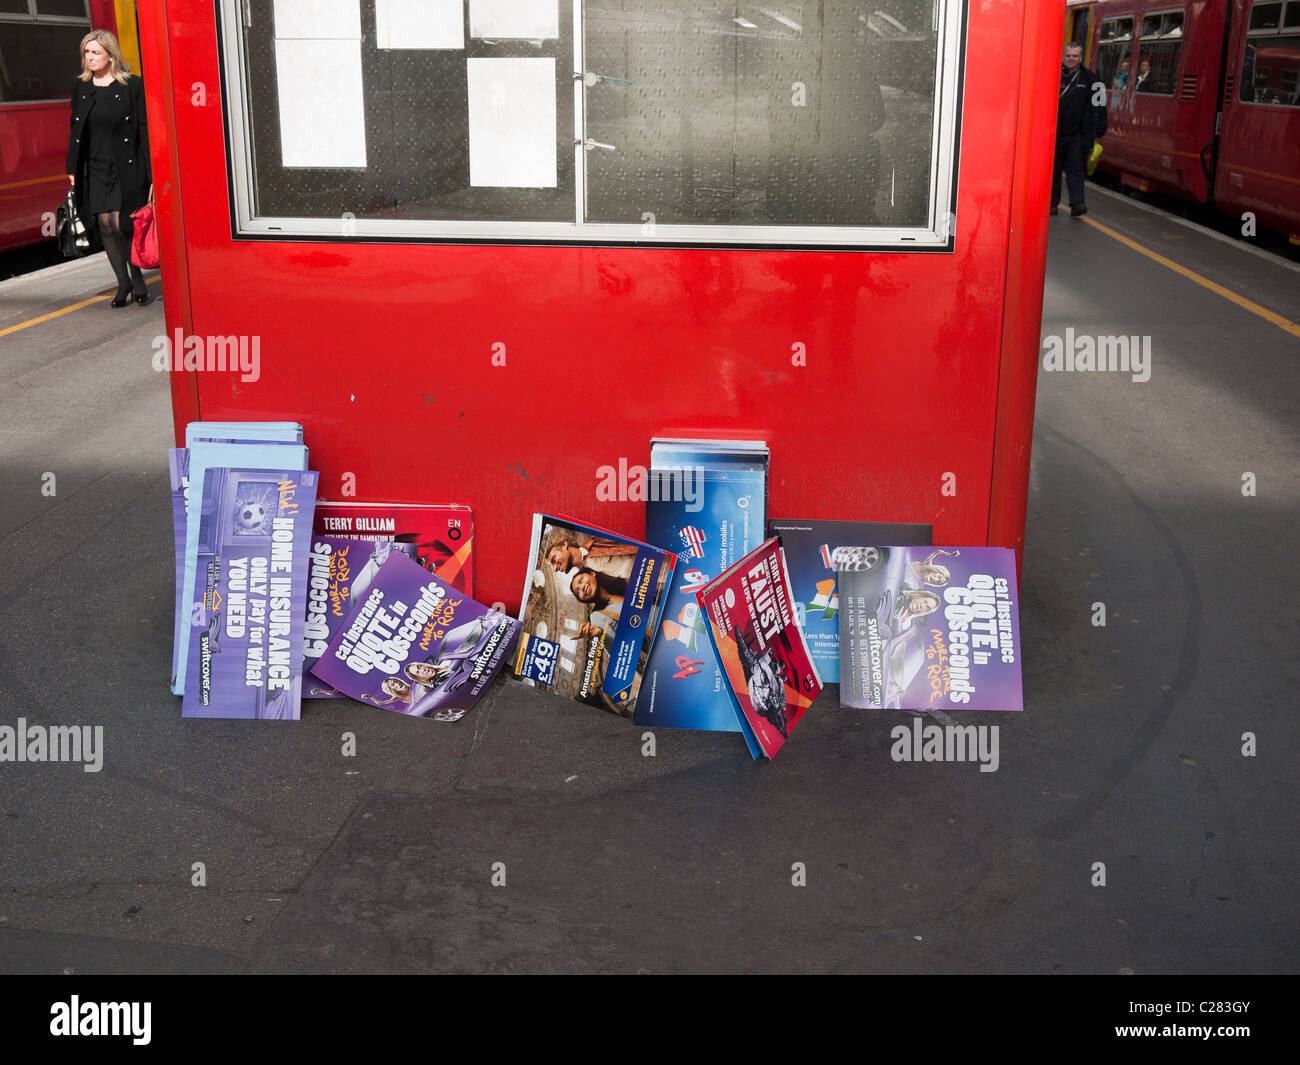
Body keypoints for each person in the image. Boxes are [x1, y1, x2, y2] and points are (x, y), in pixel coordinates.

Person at [65, 29, 152, 307]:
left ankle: (137, 277)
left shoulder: (132, 86)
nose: (90, 58)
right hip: (94, 167)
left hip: (126, 166)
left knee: (121, 223)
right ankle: (122, 282)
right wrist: (71, 167)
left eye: (95, 53)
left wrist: (151, 174)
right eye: (86, 53)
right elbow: (75, 129)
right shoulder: (80, 86)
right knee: (104, 225)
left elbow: (143, 130)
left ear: (110, 55)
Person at [1053, 43, 1107, 218]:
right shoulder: (1052, 75)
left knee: (1076, 168)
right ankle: (1052, 204)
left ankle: (1077, 204)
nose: (1071, 58)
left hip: (1077, 133)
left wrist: (1099, 129)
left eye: (1075, 56)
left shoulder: (1092, 79)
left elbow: (1100, 105)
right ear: (1063, 57)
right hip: (1054, 133)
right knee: (1053, 169)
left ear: (1081, 58)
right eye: (1068, 55)